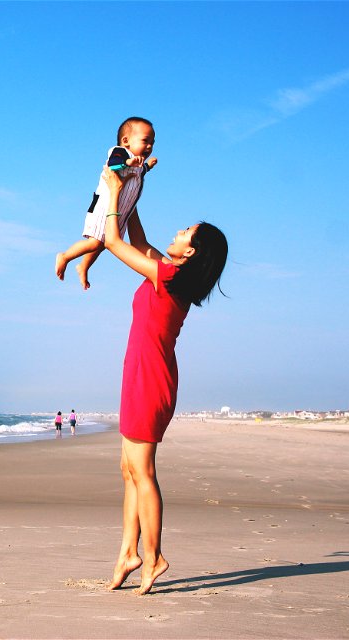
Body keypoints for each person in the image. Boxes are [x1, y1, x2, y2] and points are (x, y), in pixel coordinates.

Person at [99, 164, 228, 595]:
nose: (176, 232)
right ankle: (127, 553)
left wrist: (114, 192)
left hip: (150, 378)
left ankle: (153, 556)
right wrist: (135, 185)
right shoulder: (169, 271)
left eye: (185, 232)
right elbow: (136, 238)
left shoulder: (170, 276)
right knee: (128, 470)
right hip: (141, 371)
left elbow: (114, 241)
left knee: (143, 471)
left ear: (190, 252)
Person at [55, 117, 158, 290]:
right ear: (126, 141)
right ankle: (65, 256)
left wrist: (148, 166)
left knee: (103, 243)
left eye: (152, 143)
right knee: (95, 242)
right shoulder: (120, 152)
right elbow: (114, 165)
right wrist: (128, 162)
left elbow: (139, 172)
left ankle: (83, 266)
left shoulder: (137, 162)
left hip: (120, 210)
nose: (149, 146)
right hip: (104, 205)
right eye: (145, 141)